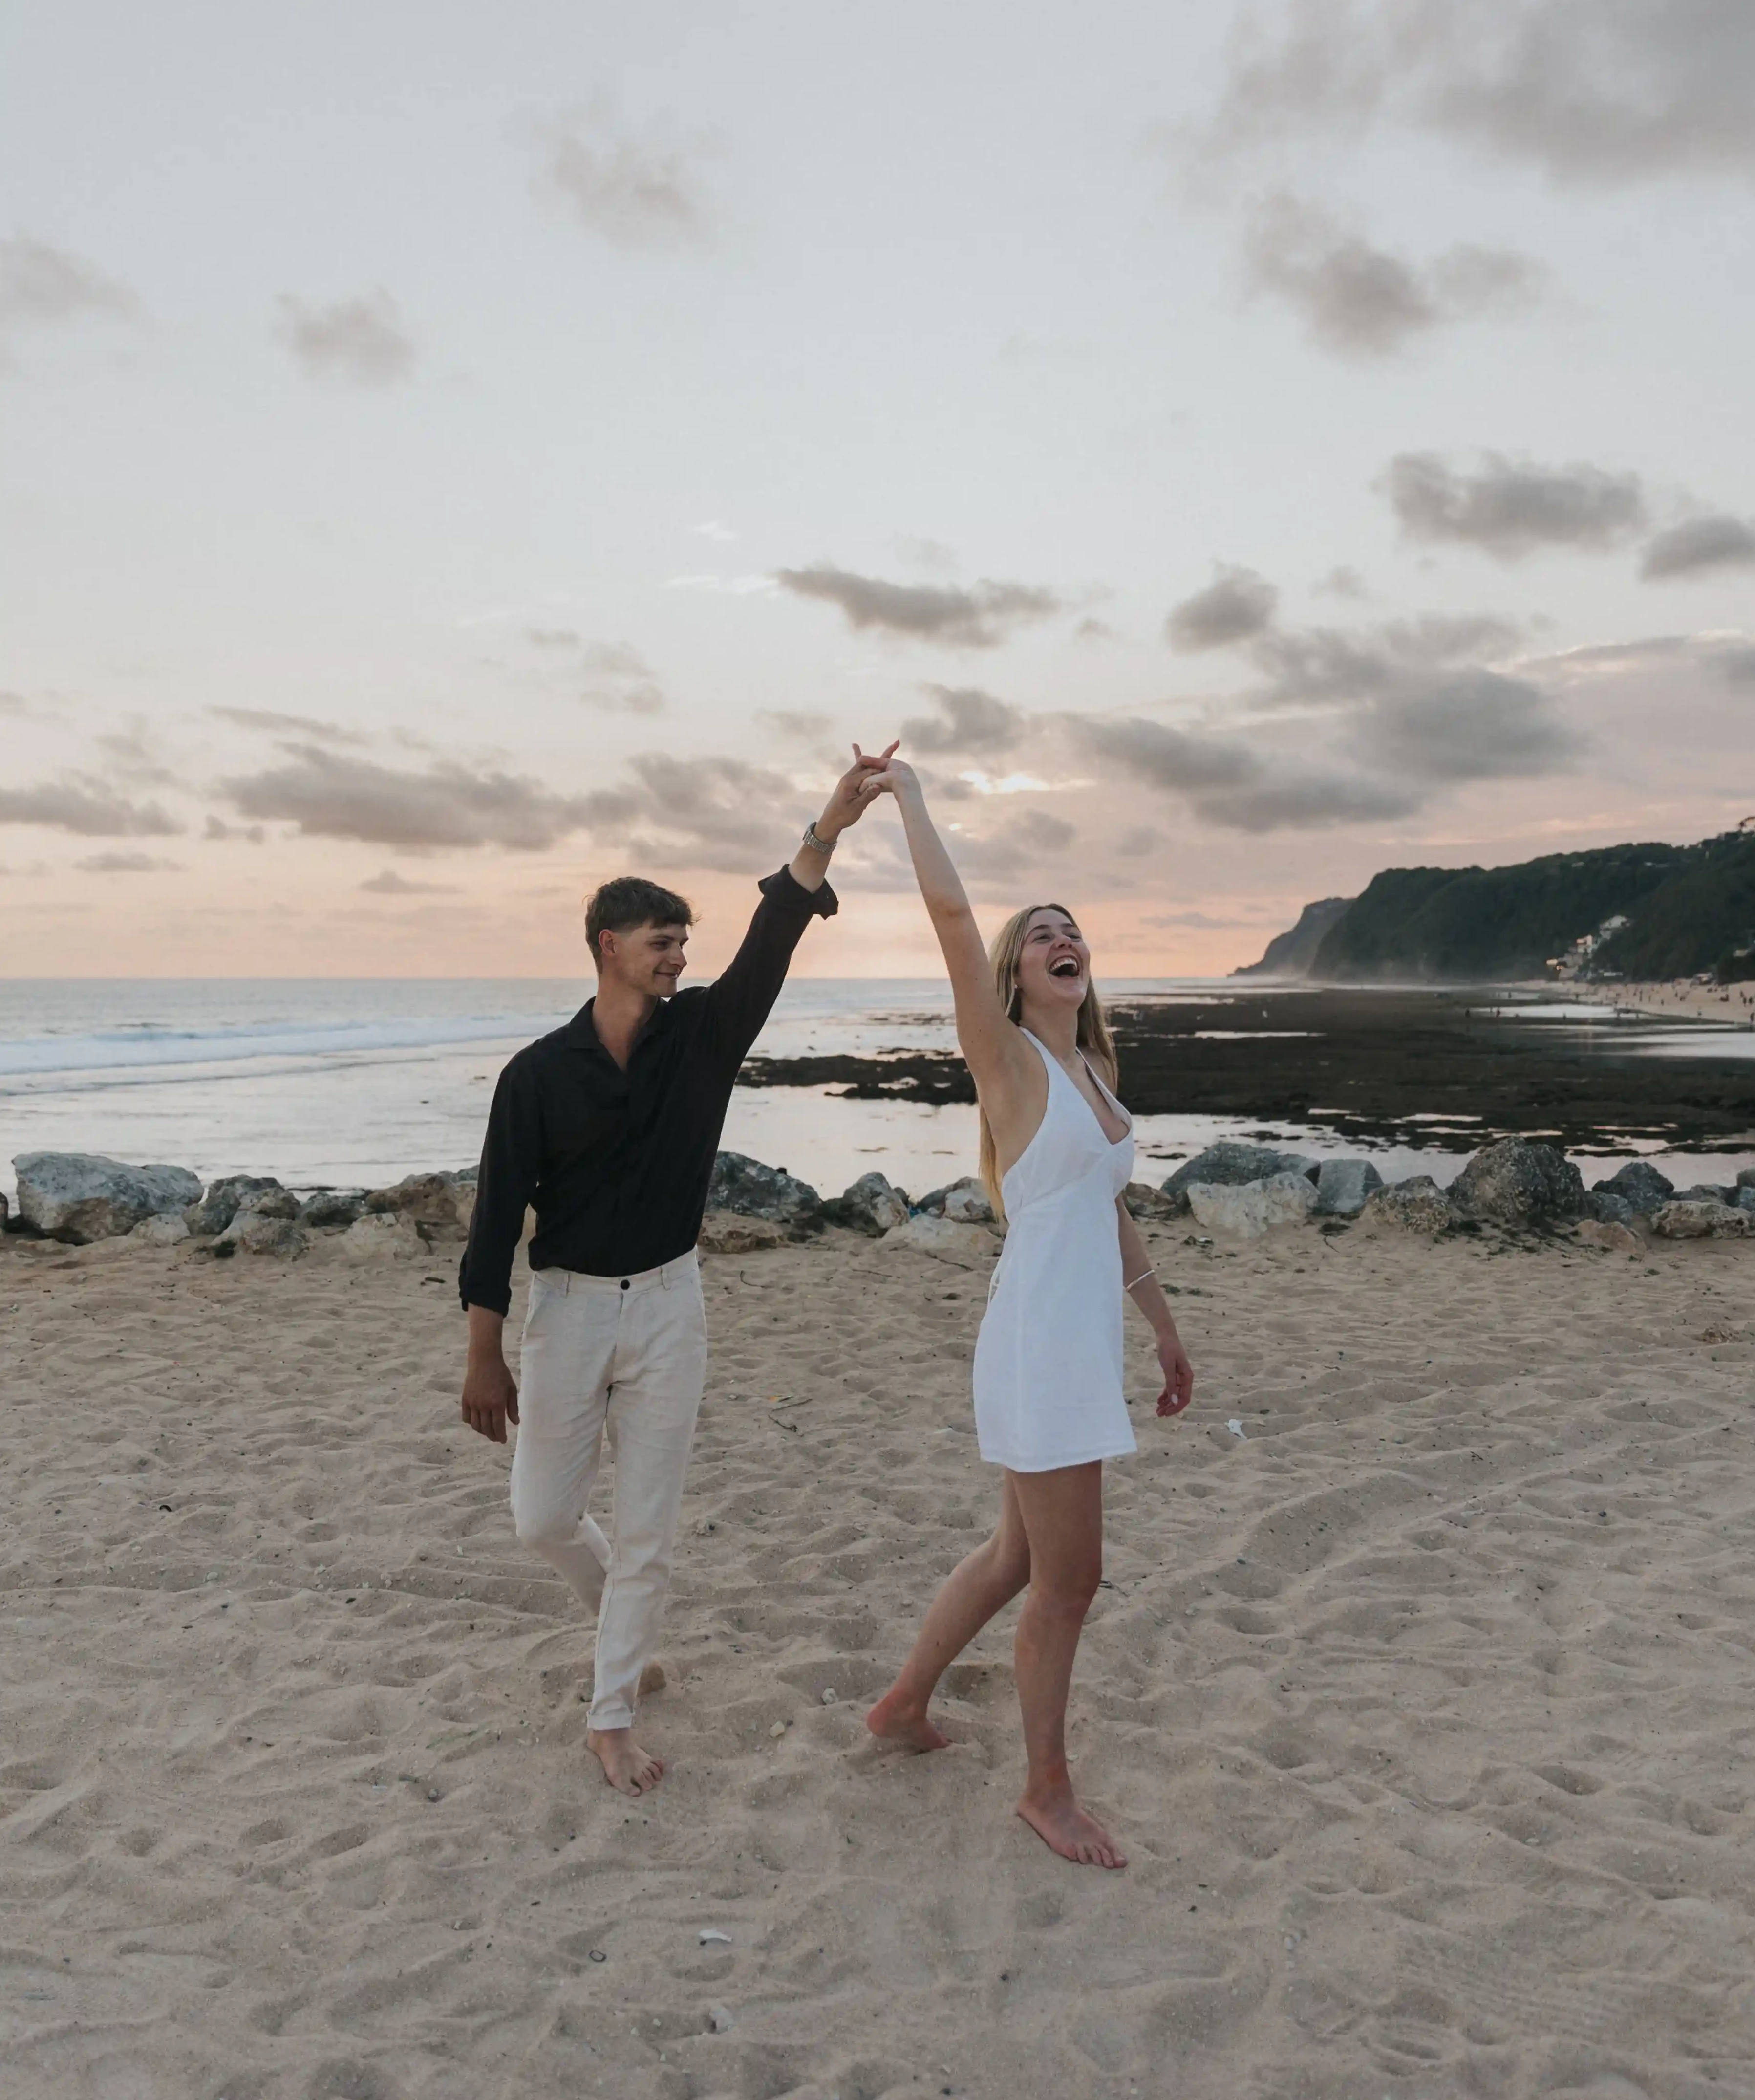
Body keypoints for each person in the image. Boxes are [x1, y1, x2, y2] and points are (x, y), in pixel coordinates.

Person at [457, 744, 894, 1795]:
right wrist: (483, 1351)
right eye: (662, 944)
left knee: (648, 1526)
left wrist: (826, 828)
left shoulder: (704, 1035)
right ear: (608, 946)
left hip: (667, 1307)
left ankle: (611, 1713)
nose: (679, 960)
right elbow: (495, 1214)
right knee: (541, 1519)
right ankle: (625, 1624)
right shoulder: (535, 1075)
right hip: (565, 1312)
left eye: (684, 944)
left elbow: (770, 943)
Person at [863, 756, 1195, 1868]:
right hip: (1038, 1348)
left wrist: (1161, 1326)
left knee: (1017, 1555)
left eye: (1072, 929)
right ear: (1014, 975)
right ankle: (1045, 1790)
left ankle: (901, 1707)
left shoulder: (1096, 1070)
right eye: (1040, 932)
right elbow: (953, 918)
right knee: (1069, 1581)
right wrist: (909, 798)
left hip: (1077, 1342)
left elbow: (1109, 1209)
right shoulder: (1004, 1062)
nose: (1062, 937)